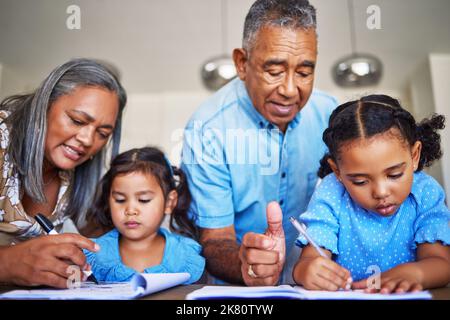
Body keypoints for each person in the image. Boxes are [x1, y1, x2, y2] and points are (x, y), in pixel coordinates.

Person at [181, 0, 338, 285]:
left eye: (304, 72)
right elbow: (215, 240)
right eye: (274, 71)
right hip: (238, 291)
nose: (290, 90)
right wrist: (246, 264)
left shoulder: (330, 115)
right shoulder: (206, 130)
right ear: (242, 63)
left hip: (312, 286)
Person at [292, 94, 450, 293]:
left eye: (394, 174)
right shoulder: (331, 192)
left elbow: (441, 264)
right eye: (360, 181)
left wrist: (417, 273)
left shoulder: (425, 192)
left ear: (414, 155)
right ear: (338, 171)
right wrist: (306, 270)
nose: (381, 192)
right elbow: (308, 260)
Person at [0, 58, 127, 288]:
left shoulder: (74, 175)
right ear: (45, 105)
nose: (88, 140)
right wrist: (7, 263)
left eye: (103, 133)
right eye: (77, 120)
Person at [84, 147, 205, 283]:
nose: (130, 210)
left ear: (169, 202)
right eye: (120, 200)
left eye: (144, 200)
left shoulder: (186, 255)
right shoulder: (92, 253)